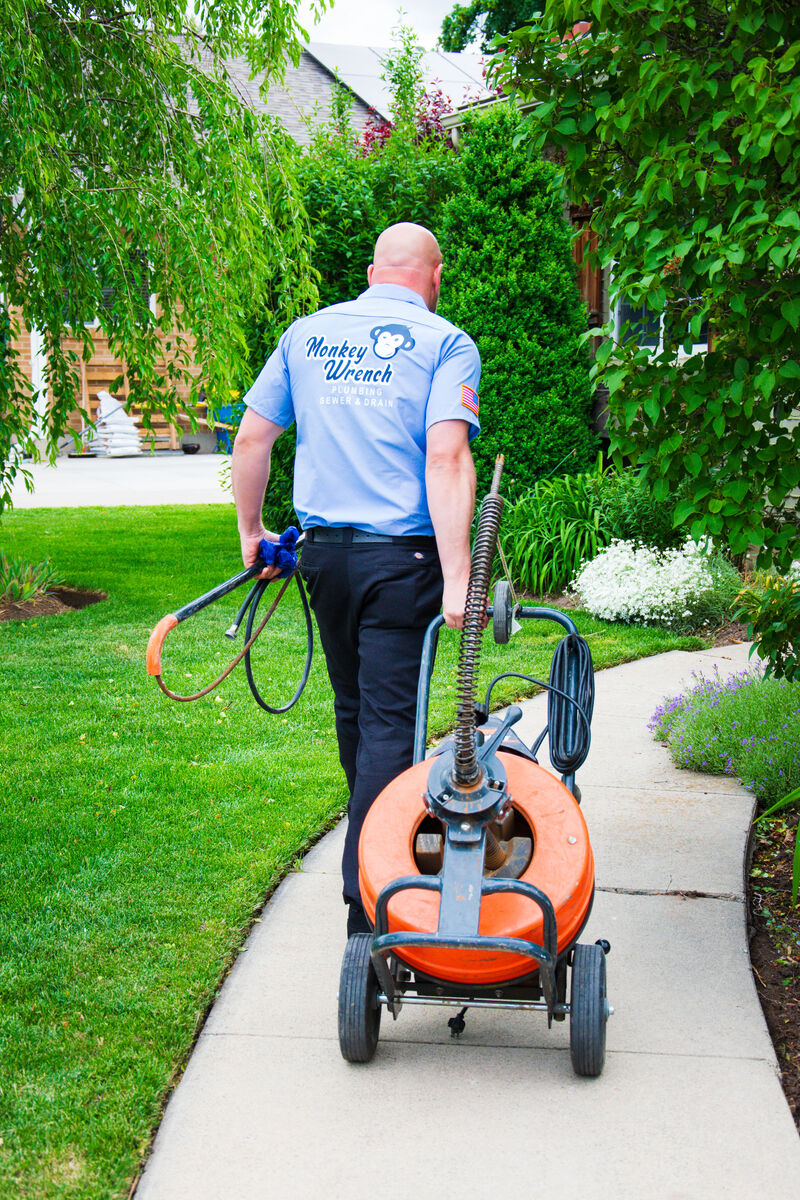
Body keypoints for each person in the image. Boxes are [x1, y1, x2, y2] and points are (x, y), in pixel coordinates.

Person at [232, 222, 481, 935]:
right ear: (435, 278)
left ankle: (376, 856)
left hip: (326, 561)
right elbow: (446, 458)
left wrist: (252, 532)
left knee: (356, 714)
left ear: (373, 272)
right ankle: (369, 904)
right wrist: (458, 577)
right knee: (388, 727)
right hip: (401, 563)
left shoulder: (305, 335)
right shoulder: (446, 343)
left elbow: (252, 437)